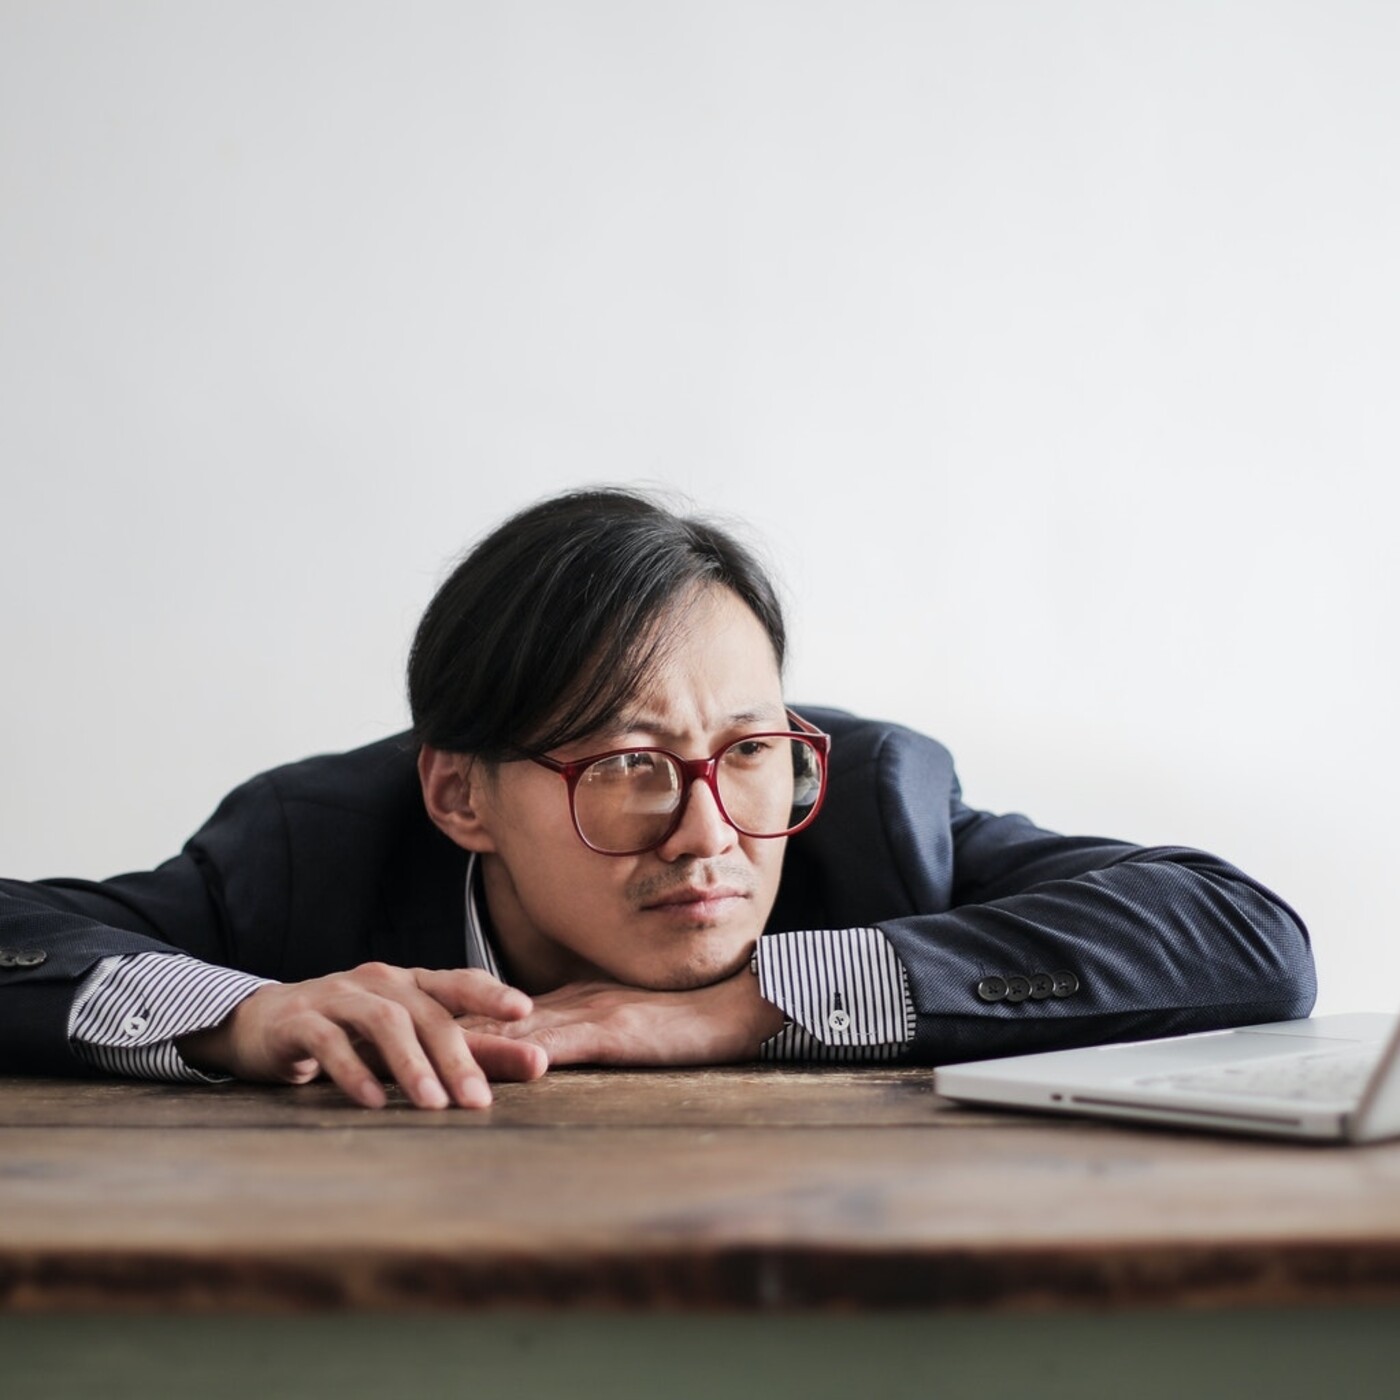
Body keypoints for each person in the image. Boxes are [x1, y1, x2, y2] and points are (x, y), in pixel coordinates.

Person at [0, 488, 1316, 1109]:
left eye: (748, 751)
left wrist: (738, 1009)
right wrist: (238, 1018)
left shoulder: (869, 807)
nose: (712, 834)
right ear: (459, 795)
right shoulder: (314, 848)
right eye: (628, 766)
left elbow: (1246, 933)